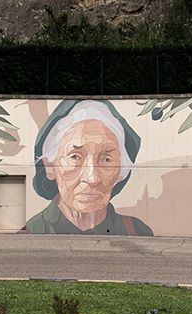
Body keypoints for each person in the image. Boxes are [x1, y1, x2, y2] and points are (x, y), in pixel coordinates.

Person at [19, 100, 153, 236]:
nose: (92, 178)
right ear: (49, 166)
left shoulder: (138, 232)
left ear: (121, 172)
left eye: (107, 159)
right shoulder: (31, 234)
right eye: (75, 157)